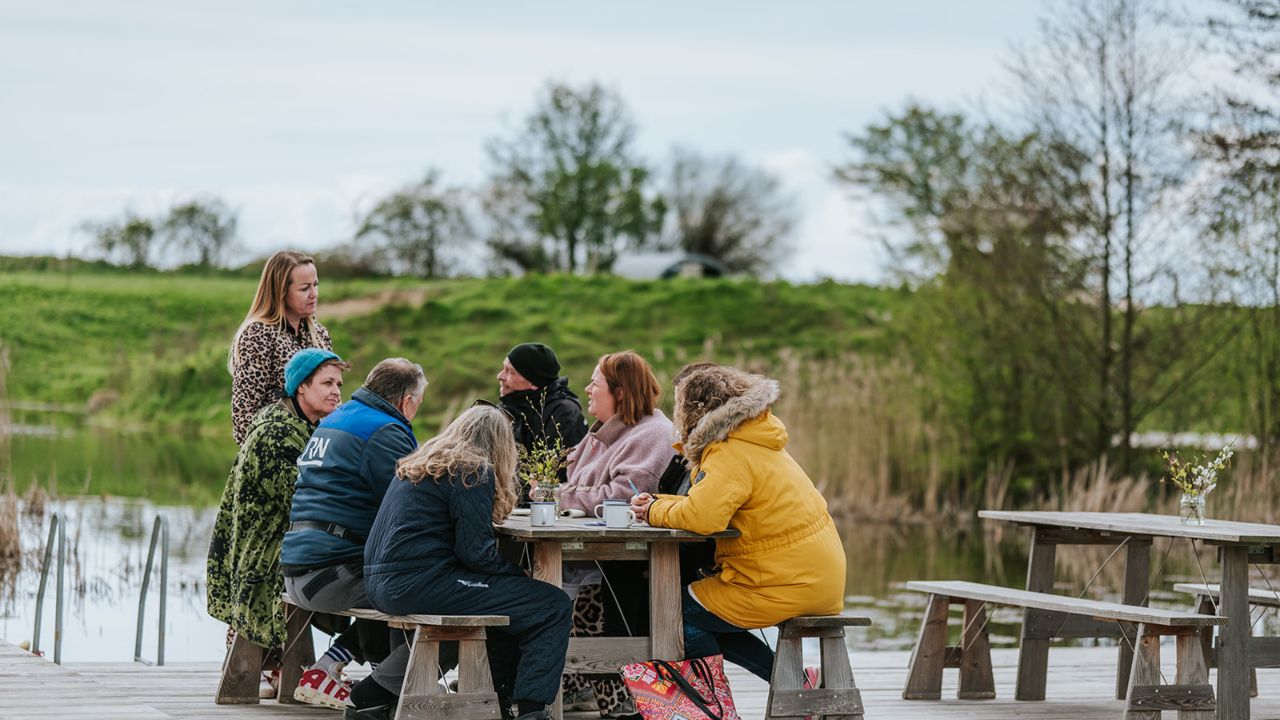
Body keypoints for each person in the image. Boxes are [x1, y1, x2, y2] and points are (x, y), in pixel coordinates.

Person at [631, 363, 846, 681]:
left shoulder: (728, 452)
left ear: (694, 409)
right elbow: (708, 504)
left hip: (780, 582)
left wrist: (651, 513)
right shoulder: (755, 441)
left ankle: (714, 704)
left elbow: (702, 518)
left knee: (672, 610)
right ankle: (792, 680)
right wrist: (659, 503)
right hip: (813, 578)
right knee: (702, 614)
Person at [361, 405, 571, 720]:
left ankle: (503, 703)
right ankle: (532, 711)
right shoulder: (473, 469)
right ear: (501, 444)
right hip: (419, 582)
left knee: (505, 602)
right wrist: (519, 574)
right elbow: (476, 554)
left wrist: (511, 582)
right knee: (551, 603)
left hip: (382, 582)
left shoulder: (423, 463)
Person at [279, 358, 427, 708]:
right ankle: (386, 689)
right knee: (431, 589)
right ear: (406, 402)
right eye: (416, 406)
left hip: (299, 566)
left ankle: (334, 666)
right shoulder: (386, 432)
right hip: (332, 574)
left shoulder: (337, 420)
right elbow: (416, 505)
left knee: (396, 574)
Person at [207, 348, 349, 699]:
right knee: (371, 571)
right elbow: (300, 502)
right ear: (301, 387)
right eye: (327, 383)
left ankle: (330, 667)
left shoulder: (307, 425)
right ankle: (345, 669)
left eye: (340, 384)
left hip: (285, 541)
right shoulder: (276, 432)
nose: (337, 392)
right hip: (263, 553)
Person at [557, 351, 673, 718]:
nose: (587, 389)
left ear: (619, 392)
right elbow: (575, 483)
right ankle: (562, 684)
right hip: (591, 553)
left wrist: (560, 496)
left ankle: (608, 693)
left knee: (552, 588)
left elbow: (622, 496)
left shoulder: (652, 434)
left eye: (596, 382)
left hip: (625, 558)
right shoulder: (607, 430)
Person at [229, 250, 333, 445]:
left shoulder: (319, 333)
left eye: (315, 285)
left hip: (320, 452)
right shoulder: (258, 335)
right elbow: (243, 416)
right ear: (281, 292)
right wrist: (269, 457)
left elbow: (332, 397)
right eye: (304, 289)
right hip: (277, 452)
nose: (314, 294)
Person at [498, 342, 588, 458]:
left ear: (534, 383)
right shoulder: (512, 405)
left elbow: (555, 471)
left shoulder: (563, 415)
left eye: (510, 372)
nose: (500, 376)